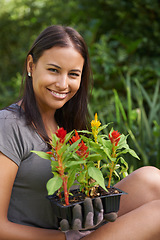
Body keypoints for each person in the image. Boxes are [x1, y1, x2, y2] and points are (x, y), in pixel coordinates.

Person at [0, 25, 160, 240]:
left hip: (77, 233)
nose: (63, 84)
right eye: (53, 70)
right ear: (31, 65)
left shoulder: (66, 127)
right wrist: (67, 238)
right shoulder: (8, 124)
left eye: (73, 74)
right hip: (60, 239)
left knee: (150, 178)